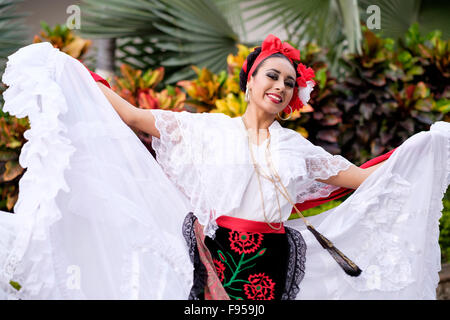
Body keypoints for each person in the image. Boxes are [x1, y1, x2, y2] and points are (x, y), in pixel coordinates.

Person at [0, 35, 448, 300]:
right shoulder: (201, 129)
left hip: (271, 263)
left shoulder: (298, 148)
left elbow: (367, 178)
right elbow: (133, 116)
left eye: (290, 83)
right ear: (250, 79)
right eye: (271, 75)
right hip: (213, 255)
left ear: (293, 98)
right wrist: (69, 73)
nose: (279, 86)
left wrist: (430, 144)